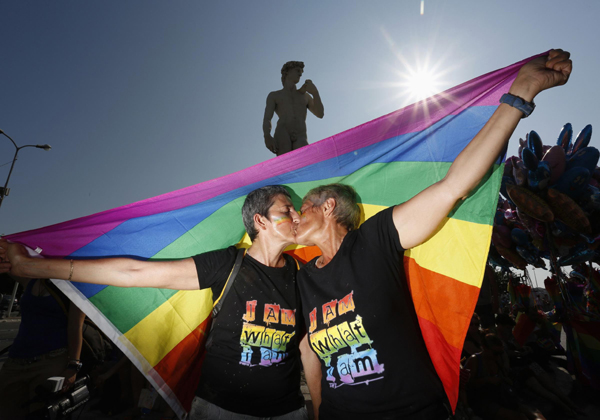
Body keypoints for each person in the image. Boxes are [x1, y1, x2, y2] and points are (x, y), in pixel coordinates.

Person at [293, 49, 572, 419]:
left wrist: (521, 95)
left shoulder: (376, 239)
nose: (296, 215)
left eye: (304, 207)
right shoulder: (305, 277)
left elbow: (453, 186)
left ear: (329, 207)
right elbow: (308, 349)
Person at [1, 186, 317, 419]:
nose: (296, 215)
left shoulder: (302, 274)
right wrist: (31, 267)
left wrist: (320, 408)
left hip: (287, 412)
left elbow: (305, 346)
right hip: (220, 411)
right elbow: (132, 271)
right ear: (260, 222)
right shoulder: (227, 264)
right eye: (286, 209)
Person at [0, 275, 85, 419]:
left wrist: (73, 366)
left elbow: (75, 326)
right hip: (16, 361)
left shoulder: (76, 286)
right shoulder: (31, 278)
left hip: (51, 361)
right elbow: (10, 265)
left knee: (40, 414)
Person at [263, 61, 324, 155]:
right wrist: (267, 136)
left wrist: (315, 93)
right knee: (285, 165)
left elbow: (320, 114)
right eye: (297, 70)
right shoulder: (275, 95)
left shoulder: (304, 96)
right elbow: (267, 118)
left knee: (303, 164)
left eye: (301, 72)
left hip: (301, 135)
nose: (300, 74)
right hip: (283, 132)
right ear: (287, 72)